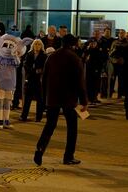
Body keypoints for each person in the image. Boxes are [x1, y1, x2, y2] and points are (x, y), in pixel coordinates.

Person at [34, 34, 88, 166]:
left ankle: (39, 150)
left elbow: (44, 78)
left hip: (52, 96)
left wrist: (44, 97)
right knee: (72, 127)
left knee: (50, 125)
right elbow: (80, 81)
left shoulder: (51, 57)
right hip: (69, 97)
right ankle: (68, 156)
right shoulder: (75, 58)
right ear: (73, 44)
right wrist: (84, 101)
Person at [19, 39, 47, 122]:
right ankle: (24, 116)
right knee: (27, 99)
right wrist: (34, 70)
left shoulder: (44, 55)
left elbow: (44, 67)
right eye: (35, 44)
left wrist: (39, 71)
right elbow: (25, 65)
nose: (37, 45)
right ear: (33, 45)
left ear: (41, 46)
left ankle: (38, 117)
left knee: (39, 100)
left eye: (39, 44)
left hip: (39, 80)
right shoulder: (29, 54)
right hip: (30, 78)